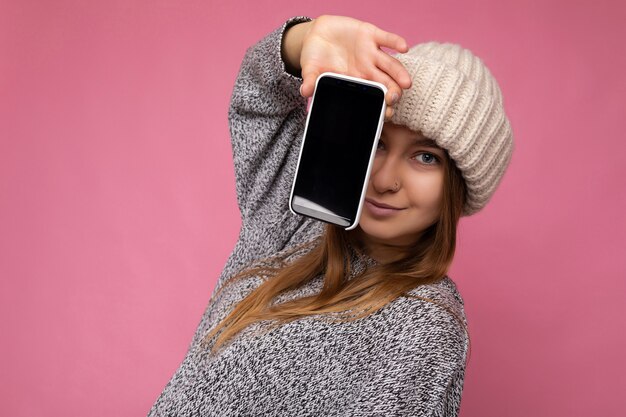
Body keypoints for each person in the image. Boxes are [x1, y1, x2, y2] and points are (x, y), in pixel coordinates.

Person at [148, 14, 513, 417]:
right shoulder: (294, 220)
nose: (386, 179)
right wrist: (305, 39)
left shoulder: (426, 323)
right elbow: (258, 99)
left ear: (457, 187)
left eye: (425, 157)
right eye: (376, 142)